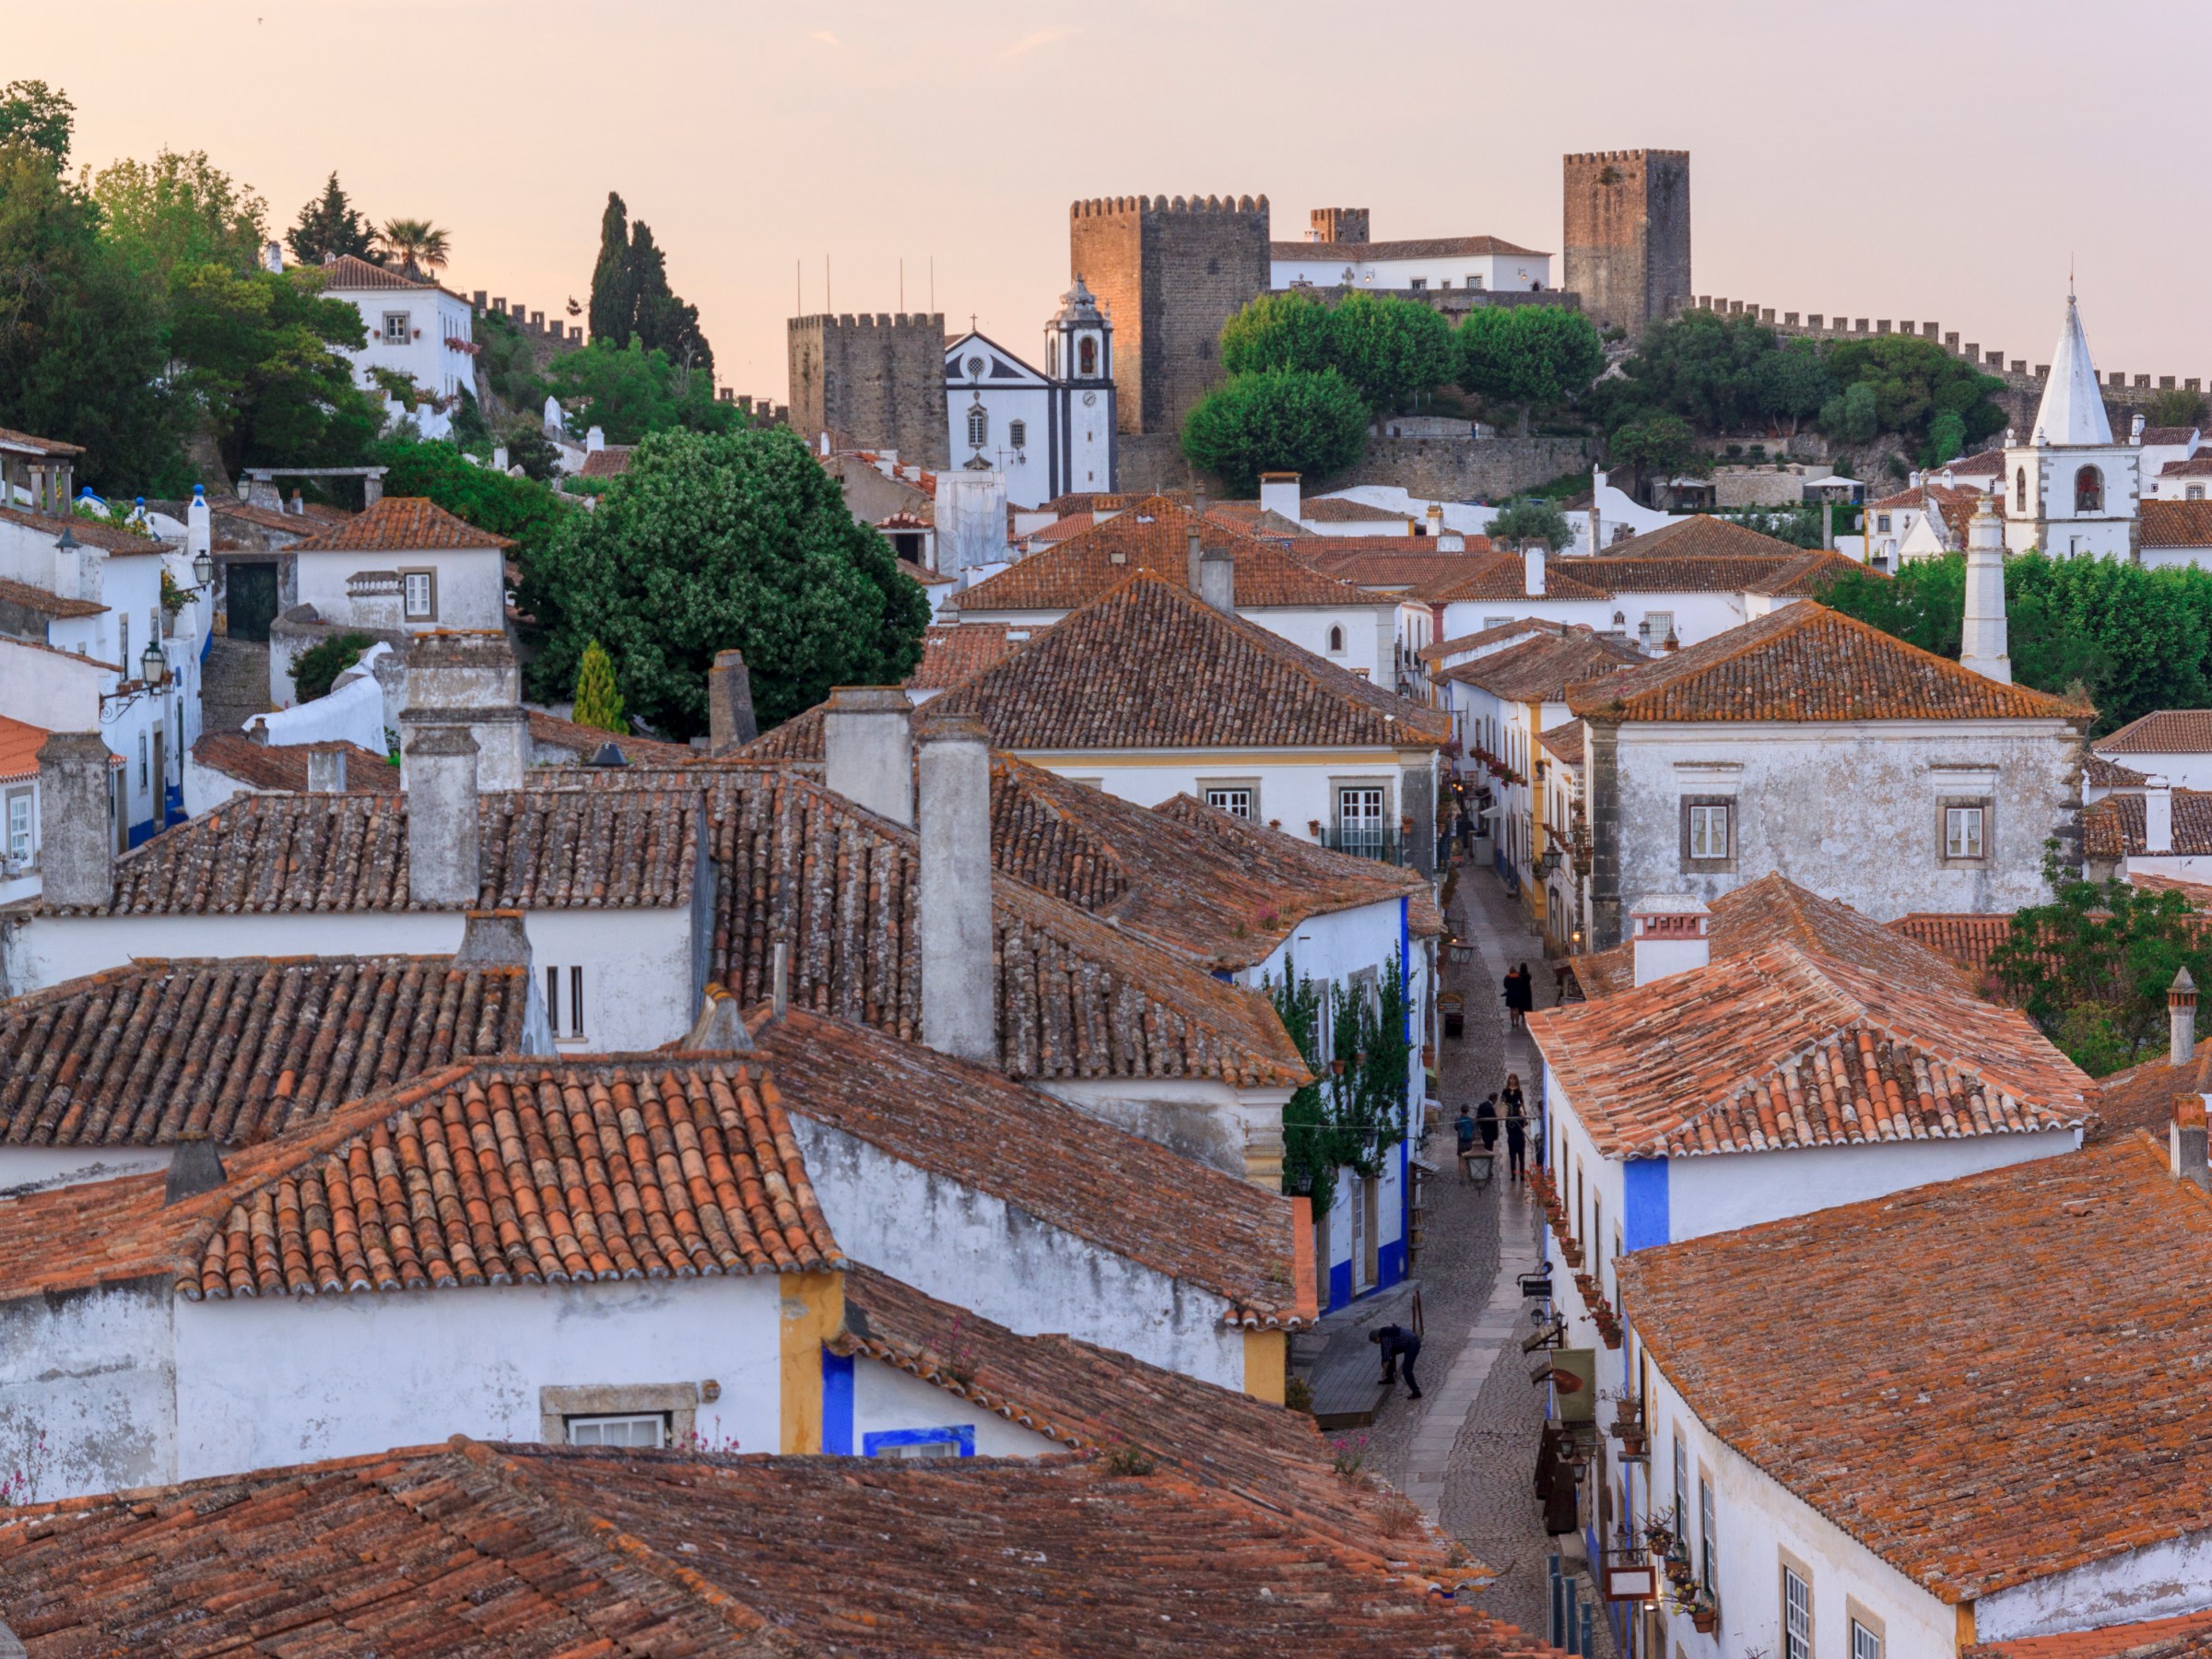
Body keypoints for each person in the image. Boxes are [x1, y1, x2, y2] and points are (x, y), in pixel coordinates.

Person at [1370, 1323, 1423, 1399]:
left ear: (1377, 1337)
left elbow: (1386, 1358)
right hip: (1409, 1340)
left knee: (1407, 1370)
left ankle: (1416, 1392)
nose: (1375, 1343)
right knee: (1387, 1352)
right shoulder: (1383, 1331)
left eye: (1375, 1341)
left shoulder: (1385, 1339)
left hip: (1412, 1344)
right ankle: (1390, 1378)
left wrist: (1384, 1372)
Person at [1502, 1077, 1529, 1183]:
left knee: (1513, 1158)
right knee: (1521, 1158)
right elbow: (1524, 1124)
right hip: (1520, 1139)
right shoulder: (1521, 1119)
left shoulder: (1519, 1091)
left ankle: (1514, 1176)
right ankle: (1521, 1176)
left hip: (1512, 1139)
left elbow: (1521, 1101)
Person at [1454, 1105, 1478, 1182]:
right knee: (1470, 1161)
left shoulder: (1458, 1120)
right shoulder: (1471, 1120)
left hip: (1461, 1144)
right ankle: (1471, 1176)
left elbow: (1456, 1128)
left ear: (1461, 1111)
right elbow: (1474, 1131)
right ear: (1468, 1111)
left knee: (1461, 1162)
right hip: (1469, 1144)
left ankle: (1462, 1178)